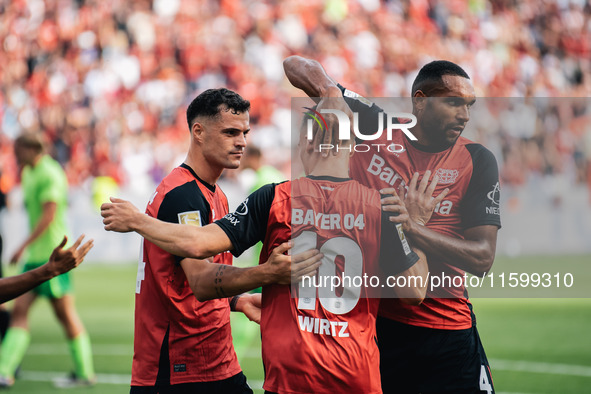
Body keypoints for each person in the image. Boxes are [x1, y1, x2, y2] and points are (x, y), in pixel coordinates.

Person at [101, 109, 448, 393]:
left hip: (291, 375)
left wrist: (137, 220)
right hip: (356, 372)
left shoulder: (273, 197)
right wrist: (416, 227)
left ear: (305, 145)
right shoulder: (380, 207)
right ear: (351, 147)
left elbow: (198, 243)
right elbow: (415, 292)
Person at [283, 56, 501, 394]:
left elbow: (482, 259)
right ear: (421, 101)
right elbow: (295, 65)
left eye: (469, 105)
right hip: (377, 326)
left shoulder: (477, 161)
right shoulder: (375, 126)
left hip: (447, 331)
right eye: (454, 103)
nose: (465, 115)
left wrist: (412, 227)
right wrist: (331, 92)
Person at [117, 88, 322, 394]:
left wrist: (238, 301)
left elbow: (189, 280)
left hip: (211, 360)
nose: (241, 142)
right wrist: (269, 273)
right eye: (230, 132)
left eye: (244, 132)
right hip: (180, 368)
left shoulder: (215, 194)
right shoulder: (182, 195)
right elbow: (200, 281)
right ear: (198, 132)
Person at [0, 133, 96, 389]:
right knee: (19, 311)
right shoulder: (29, 173)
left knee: (64, 314)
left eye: (18, 149)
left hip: (54, 255)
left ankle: (85, 372)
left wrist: (21, 246)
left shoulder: (50, 173)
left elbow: (49, 215)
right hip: (36, 257)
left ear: (32, 149)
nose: (15, 154)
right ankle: (4, 371)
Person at [0, 235, 93, 304]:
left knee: (66, 315)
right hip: (39, 259)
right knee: (19, 312)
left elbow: (49, 216)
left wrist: (51, 269)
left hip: (50, 254)